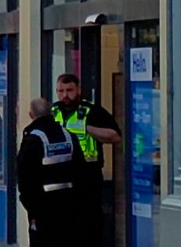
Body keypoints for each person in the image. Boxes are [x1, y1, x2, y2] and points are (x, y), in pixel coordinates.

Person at [52, 73, 120, 239]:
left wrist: (86, 128)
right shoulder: (53, 111)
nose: (65, 95)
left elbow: (115, 136)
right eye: (61, 91)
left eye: (69, 90)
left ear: (79, 90)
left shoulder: (91, 111)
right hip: (60, 176)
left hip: (87, 177)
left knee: (87, 225)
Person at [17, 97, 90, 246]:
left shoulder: (33, 139)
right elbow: (81, 172)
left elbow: (25, 179)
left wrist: (32, 210)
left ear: (31, 115)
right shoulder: (69, 135)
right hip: (70, 207)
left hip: (43, 210)